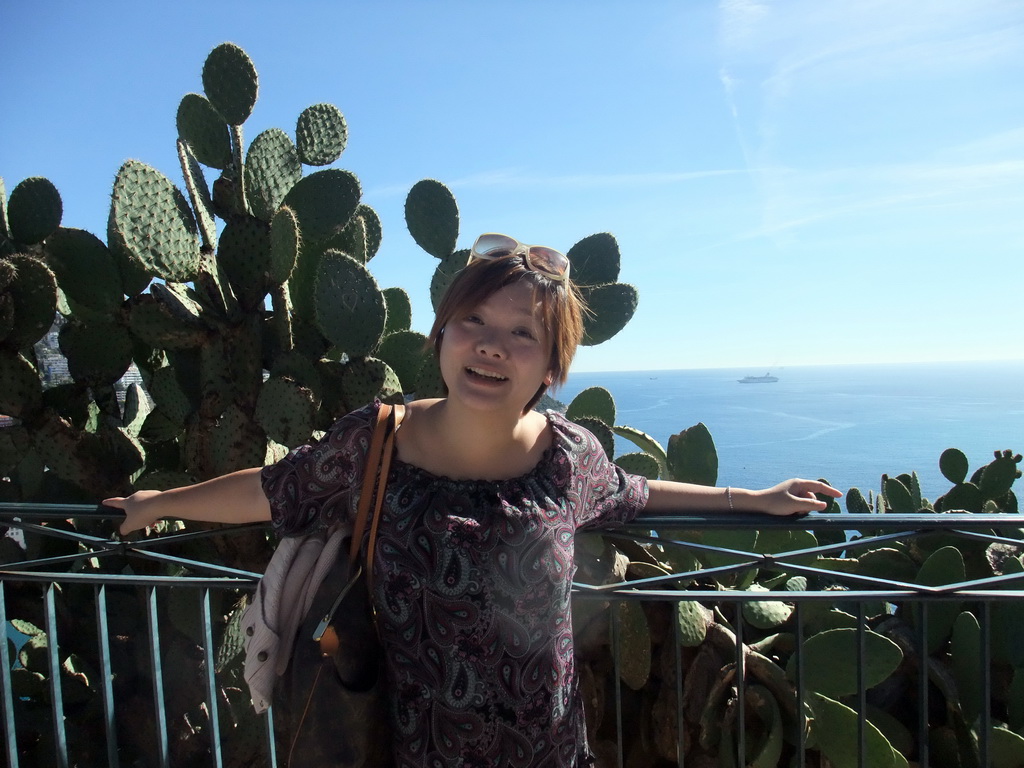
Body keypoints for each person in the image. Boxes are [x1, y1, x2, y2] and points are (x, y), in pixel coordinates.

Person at [105, 232, 841, 767]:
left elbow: (635, 493)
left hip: (549, 751)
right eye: (476, 323)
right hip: (414, 748)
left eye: (521, 334)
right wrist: (161, 502)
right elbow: (274, 490)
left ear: (552, 365)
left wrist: (751, 496)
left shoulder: (568, 457)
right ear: (442, 335)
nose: (492, 346)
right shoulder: (378, 443)